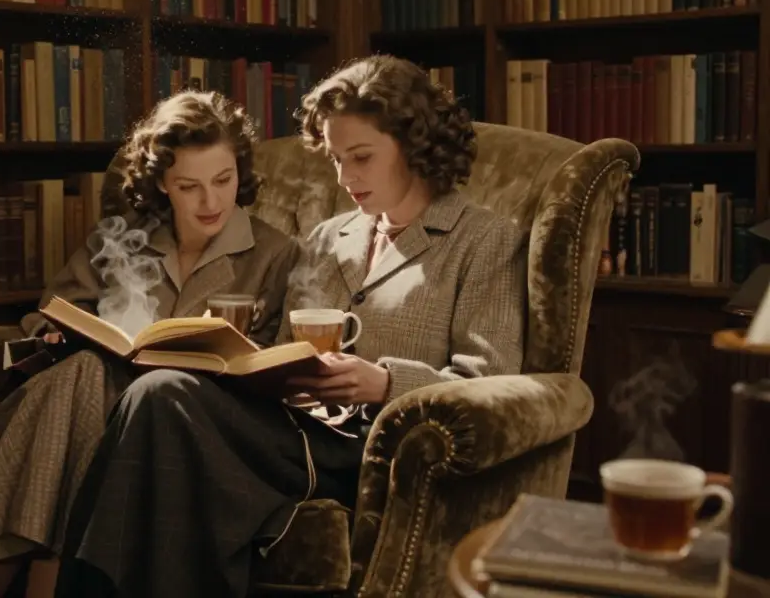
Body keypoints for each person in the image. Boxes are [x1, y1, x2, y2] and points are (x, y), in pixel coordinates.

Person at [53, 54, 529, 598]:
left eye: (362, 157)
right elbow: (283, 351)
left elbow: (493, 381)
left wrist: (385, 382)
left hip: (373, 446)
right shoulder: (329, 237)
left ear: (414, 144)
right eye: (335, 159)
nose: (345, 178)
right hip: (293, 428)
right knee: (157, 392)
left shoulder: (483, 239)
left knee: (163, 406)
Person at [0, 89, 302, 598]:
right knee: (81, 375)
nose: (211, 201)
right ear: (163, 186)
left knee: (65, 408)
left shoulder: (275, 253)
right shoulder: (124, 237)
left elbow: (266, 362)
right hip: (83, 410)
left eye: (223, 180)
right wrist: (56, 333)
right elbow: (49, 313)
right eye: (188, 186)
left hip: (175, 419)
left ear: (240, 171)